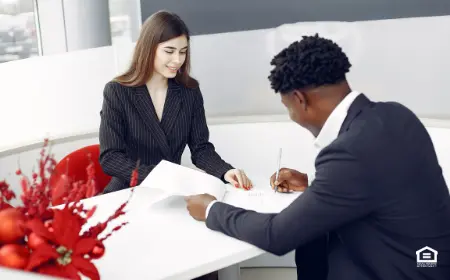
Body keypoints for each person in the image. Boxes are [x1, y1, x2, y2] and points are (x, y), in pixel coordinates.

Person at [185, 34, 450, 280]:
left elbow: (276, 234)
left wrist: (211, 209)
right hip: (427, 261)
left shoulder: (350, 150)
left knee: (309, 240)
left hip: (400, 271)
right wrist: (314, 187)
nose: (292, 116)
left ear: (300, 100)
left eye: (288, 107)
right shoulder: (395, 114)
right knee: (313, 243)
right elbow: (380, 184)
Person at [99, 10, 252, 195]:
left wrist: (225, 171)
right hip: (127, 192)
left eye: (183, 52)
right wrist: (161, 177)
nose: (178, 60)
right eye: (169, 51)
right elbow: (111, 158)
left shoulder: (189, 92)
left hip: (171, 193)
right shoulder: (117, 92)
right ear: (148, 49)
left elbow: (200, 148)